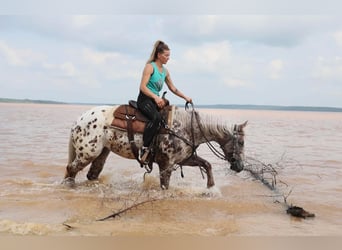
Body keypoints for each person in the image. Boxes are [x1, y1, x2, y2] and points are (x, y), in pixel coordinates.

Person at [137, 40, 192, 163]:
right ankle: (145, 148)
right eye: (166, 55)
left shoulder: (165, 71)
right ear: (158, 55)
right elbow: (143, 87)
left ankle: (158, 148)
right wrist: (156, 97)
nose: (168, 58)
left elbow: (173, 88)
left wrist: (185, 97)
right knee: (156, 118)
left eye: (169, 56)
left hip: (156, 101)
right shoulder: (150, 67)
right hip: (145, 99)